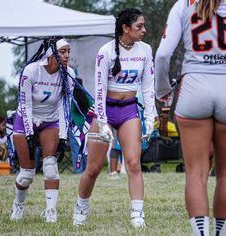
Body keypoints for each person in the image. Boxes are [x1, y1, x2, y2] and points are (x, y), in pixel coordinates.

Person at [73, 8, 155, 228]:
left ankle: (138, 215)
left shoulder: (145, 50)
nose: (144, 30)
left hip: (129, 110)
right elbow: (99, 89)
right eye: (139, 26)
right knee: (94, 168)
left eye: (144, 25)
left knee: (134, 163)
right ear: (125, 28)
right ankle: (81, 208)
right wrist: (101, 120)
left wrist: (150, 117)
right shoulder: (106, 51)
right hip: (105, 111)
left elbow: (148, 86)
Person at [155, 0, 226, 235]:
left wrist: (162, 90)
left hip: (195, 86)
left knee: (196, 173)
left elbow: (163, 54)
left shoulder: (183, 4)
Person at [10, 36, 75, 223]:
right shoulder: (31, 71)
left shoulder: (67, 74)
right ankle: (18, 206)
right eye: (62, 51)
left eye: (68, 51)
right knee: (26, 175)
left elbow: (65, 106)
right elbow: (26, 104)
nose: (67, 55)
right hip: (26, 120)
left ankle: (51, 212)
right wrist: (30, 134)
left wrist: (62, 137)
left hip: (50, 121)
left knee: (50, 168)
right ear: (50, 53)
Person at [69, 78, 93, 174]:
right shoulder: (86, 95)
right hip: (86, 125)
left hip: (75, 125)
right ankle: (87, 169)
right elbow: (93, 106)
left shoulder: (72, 97)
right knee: (85, 148)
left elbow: (69, 111)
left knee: (76, 148)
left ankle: (78, 169)